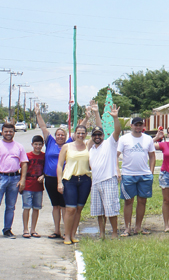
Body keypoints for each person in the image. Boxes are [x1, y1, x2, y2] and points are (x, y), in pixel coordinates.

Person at [0, 123, 29, 240]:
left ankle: (7, 230)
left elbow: (24, 163)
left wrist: (22, 179)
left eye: (11, 131)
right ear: (2, 132)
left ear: (14, 132)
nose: (8, 134)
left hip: (14, 178)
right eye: (6, 131)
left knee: (10, 206)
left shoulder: (19, 146)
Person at [35, 104, 70, 239]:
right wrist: (38, 114)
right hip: (50, 179)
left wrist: (86, 117)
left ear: (66, 136)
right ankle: (57, 231)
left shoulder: (69, 144)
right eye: (58, 135)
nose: (60, 137)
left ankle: (66, 230)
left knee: (64, 206)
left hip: (64, 180)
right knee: (55, 206)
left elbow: (81, 132)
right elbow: (43, 128)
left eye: (62, 135)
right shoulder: (50, 142)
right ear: (55, 136)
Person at [117, 117, 156, 236]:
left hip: (144, 175)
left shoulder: (148, 139)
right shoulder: (124, 139)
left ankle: (138, 227)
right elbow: (116, 155)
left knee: (142, 201)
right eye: (136, 125)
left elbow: (152, 156)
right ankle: (127, 228)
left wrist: (151, 171)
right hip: (128, 174)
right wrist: (118, 170)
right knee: (128, 201)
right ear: (131, 126)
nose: (138, 127)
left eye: (140, 125)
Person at [89, 105, 122, 239]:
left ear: (103, 135)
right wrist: (95, 112)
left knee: (111, 208)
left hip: (109, 180)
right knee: (99, 211)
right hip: (95, 182)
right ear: (92, 137)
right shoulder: (91, 148)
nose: (97, 136)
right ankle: (102, 233)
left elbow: (117, 131)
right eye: (95, 135)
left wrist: (115, 118)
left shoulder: (109, 143)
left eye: (99, 134)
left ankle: (114, 232)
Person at [56, 125, 91, 245]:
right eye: (78, 133)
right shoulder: (67, 146)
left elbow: (100, 128)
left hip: (85, 180)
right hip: (70, 180)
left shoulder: (88, 145)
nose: (80, 135)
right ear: (74, 134)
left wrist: (95, 112)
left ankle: (73, 234)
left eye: (83, 133)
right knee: (70, 209)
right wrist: (59, 182)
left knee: (79, 209)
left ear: (86, 134)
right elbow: (60, 165)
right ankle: (66, 235)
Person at [21, 135, 45, 238]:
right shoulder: (27, 156)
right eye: (36, 144)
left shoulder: (44, 156)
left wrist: (43, 176)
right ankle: (25, 229)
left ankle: (33, 229)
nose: (38, 146)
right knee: (27, 207)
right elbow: (22, 169)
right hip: (28, 185)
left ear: (42, 145)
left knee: (36, 208)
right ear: (32, 145)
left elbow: (47, 169)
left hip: (38, 187)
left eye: (40, 144)